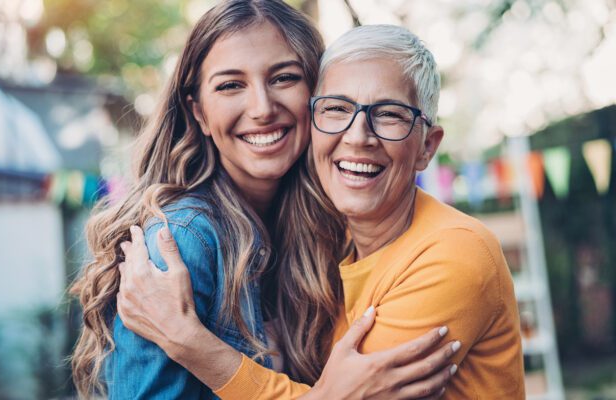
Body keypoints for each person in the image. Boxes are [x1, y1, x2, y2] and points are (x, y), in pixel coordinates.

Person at [70, 1, 458, 399]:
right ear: (199, 112)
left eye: (283, 78)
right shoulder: (182, 242)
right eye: (230, 85)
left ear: (318, 95)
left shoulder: (328, 228)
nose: (261, 109)